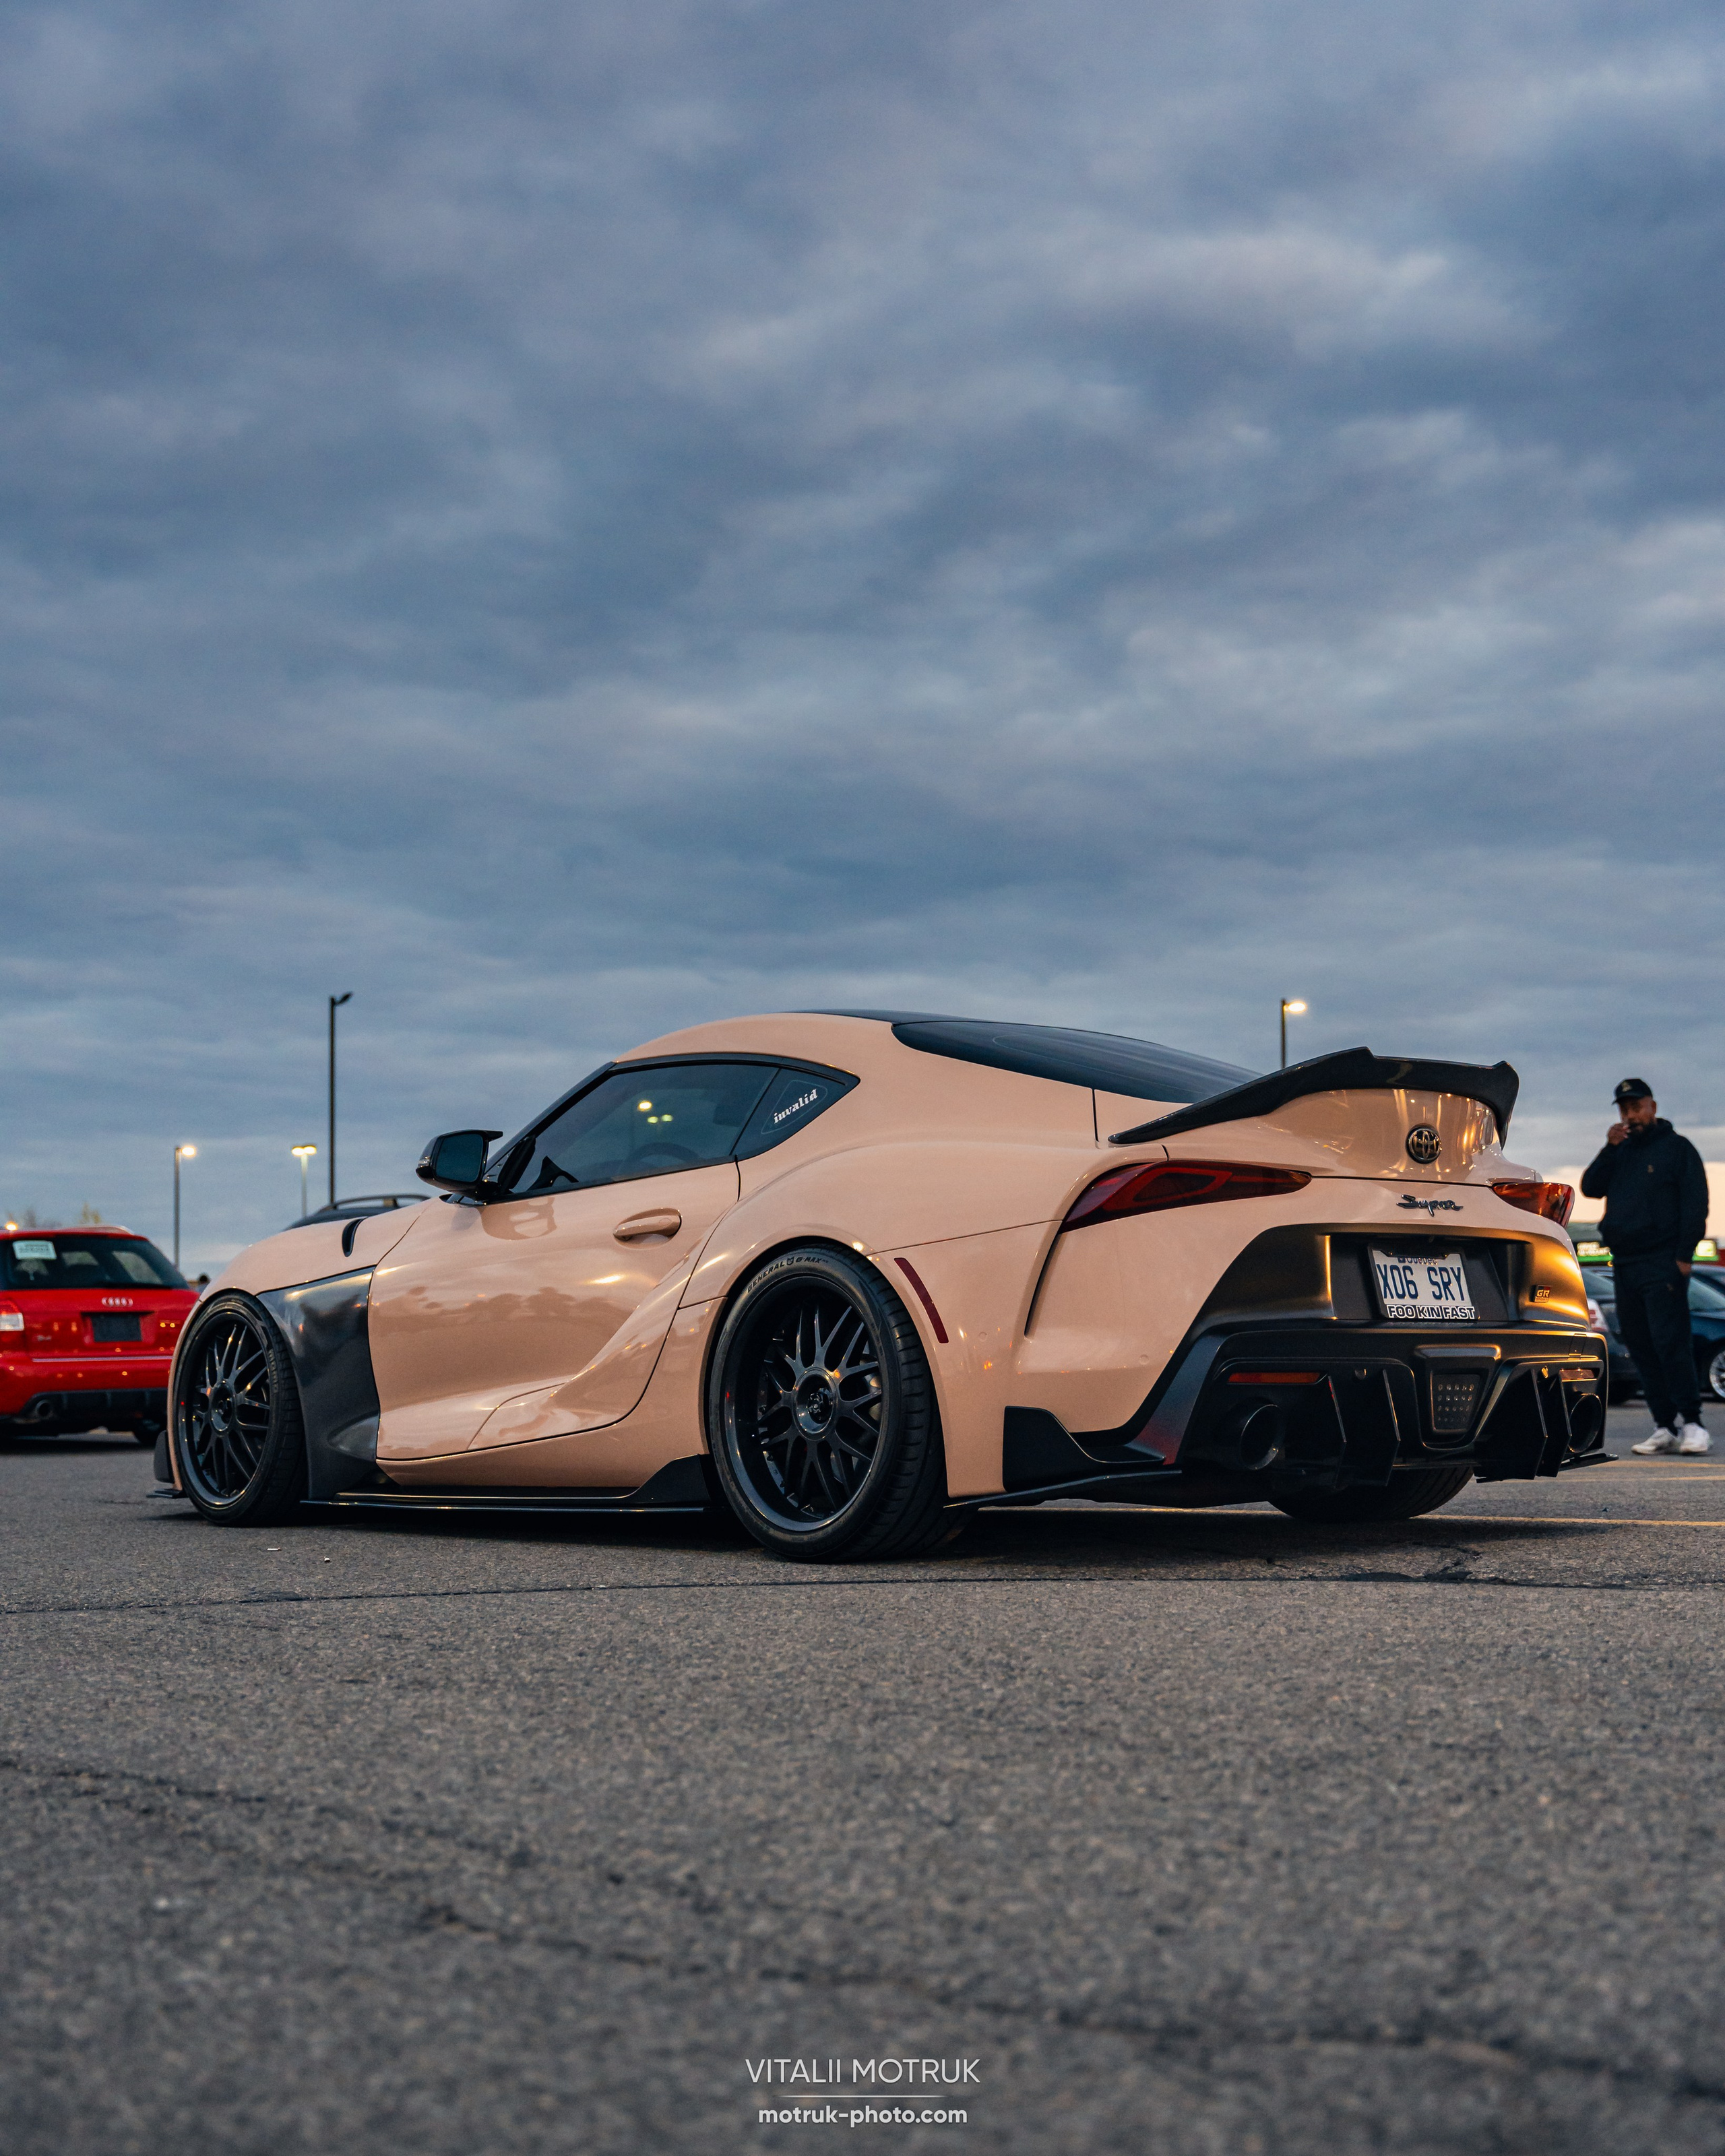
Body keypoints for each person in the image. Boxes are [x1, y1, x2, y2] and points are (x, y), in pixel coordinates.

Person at [1581, 1078, 1710, 1455]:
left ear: (1652, 1106)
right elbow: (1591, 1187)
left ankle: (1695, 1424)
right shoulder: (1621, 1151)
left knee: (1671, 1343)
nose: (1630, 1116)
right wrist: (1609, 1147)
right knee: (1641, 1345)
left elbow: (1695, 1204)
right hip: (1625, 1263)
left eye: (1636, 1107)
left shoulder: (1677, 1149)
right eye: (1624, 1109)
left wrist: (1684, 1257)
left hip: (1663, 1261)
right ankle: (1664, 1425)